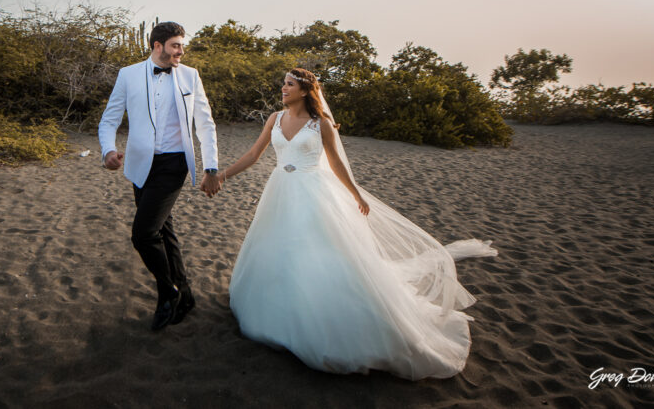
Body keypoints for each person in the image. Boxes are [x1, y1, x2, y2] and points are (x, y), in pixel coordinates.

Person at [217, 68, 496, 378]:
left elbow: (336, 162)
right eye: (283, 83)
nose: (283, 88)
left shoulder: (320, 124)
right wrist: (222, 175)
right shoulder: (274, 119)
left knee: (317, 251)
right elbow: (255, 154)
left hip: (312, 192)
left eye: (290, 84)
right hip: (280, 189)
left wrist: (356, 195)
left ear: (306, 91)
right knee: (277, 247)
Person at [98, 21, 221, 331]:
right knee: (164, 231)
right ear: (157, 46)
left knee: (143, 233)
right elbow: (110, 117)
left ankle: (168, 292)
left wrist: (211, 167)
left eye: (182, 45)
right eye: (176, 45)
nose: (181, 50)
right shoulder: (128, 74)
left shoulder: (190, 75)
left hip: (174, 164)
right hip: (141, 164)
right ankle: (186, 294)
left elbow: (205, 125)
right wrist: (108, 151)